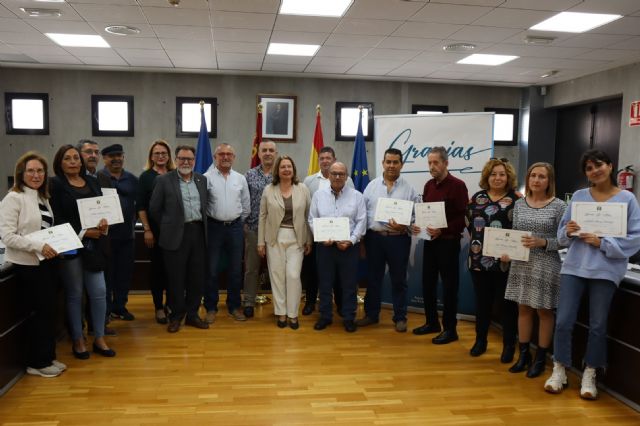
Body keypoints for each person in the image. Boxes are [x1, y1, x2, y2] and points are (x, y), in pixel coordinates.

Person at [544, 150, 640, 400]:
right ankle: (560, 369)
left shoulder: (627, 199)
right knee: (564, 321)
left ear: (610, 167)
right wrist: (570, 229)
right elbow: (562, 236)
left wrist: (602, 243)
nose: (594, 170)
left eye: (598, 165)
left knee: (598, 325)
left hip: (606, 270)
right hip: (574, 267)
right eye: (588, 168)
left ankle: (590, 371)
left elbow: (635, 239)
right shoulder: (578, 196)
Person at [0, 152, 65, 377]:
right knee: (38, 314)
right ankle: (36, 363)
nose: (36, 175)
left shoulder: (42, 196)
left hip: (46, 264)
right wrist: (37, 247)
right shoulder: (14, 198)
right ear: (21, 173)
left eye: (40, 171)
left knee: (48, 313)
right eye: (31, 171)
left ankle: (47, 357)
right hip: (27, 265)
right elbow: (7, 236)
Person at [49, 144, 115, 359]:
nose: (73, 162)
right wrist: (84, 232)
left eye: (76, 158)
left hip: (94, 247)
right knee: (75, 294)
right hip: (70, 246)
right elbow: (56, 218)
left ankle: (99, 337)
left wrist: (104, 222)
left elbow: (102, 208)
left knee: (99, 292)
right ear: (60, 162)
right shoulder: (55, 184)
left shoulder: (93, 182)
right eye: (67, 158)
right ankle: (78, 339)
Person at [504, 163, 566, 378]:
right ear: (528, 179)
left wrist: (543, 242)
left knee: (544, 311)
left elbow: (565, 240)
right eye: (533, 176)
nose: (536, 180)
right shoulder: (520, 204)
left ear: (549, 181)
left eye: (542, 176)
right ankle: (524, 355)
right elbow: (513, 234)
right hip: (521, 263)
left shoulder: (559, 206)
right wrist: (506, 252)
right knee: (523, 309)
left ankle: (540, 358)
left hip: (546, 264)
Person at [357, 148, 418, 333]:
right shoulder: (372, 186)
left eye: (395, 162)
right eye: (388, 162)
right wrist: (361, 241)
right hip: (375, 239)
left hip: (398, 240)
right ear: (383, 163)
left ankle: (400, 317)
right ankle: (371, 314)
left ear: (401, 164)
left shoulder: (409, 189)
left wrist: (405, 226)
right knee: (373, 278)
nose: (391, 165)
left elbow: (415, 217)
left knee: (398, 279)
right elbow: (363, 215)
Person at [149, 145, 209, 333]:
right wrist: (169, 225)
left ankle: (192, 315)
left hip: (198, 233)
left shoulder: (202, 180)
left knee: (196, 278)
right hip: (174, 236)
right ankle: (176, 316)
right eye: (182, 158)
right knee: (175, 279)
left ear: (194, 160)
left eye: (189, 159)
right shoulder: (164, 180)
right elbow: (154, 209)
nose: (186, 162)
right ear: (175, 159)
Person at [414, 146, 468, 345]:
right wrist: (417, 226)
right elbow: (425, 213)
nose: (432, 166)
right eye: (429, 163)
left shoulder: (458, 185)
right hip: (429, 243)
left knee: (449, 287)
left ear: (446, 163)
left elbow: (463, 218)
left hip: (448, 244)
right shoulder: (429, 185)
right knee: (427, 283)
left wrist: (442, 230)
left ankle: (450, 329)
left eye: (436, 162)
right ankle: (431, 322)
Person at [466, 158, 519, 361]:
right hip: (478, 260)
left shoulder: (517, 200)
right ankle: (480, 341)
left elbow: (520, 230)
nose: (497, 178)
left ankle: (508, 345)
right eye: (493, 174)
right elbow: (469, 224)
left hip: (506, 262)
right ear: (487, 176)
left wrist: (511, 251)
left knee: (507, 306)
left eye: (502, 174)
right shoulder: (476, 198)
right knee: (482, 303)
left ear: (508, 177)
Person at [309, 162, 367, 332]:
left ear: (347, 176)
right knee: (325, 284)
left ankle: (349, 317)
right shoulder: (319, 195)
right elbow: (312, 220)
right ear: (329, 176)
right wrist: (320, 238)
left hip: (348, 248)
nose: (337, 177)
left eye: (341, 174)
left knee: (349, 285)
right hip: (325, 248)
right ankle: (325, 316)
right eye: (334, 173)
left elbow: (362, 221)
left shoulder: (357, 196)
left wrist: (352, 240)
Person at [257, 156, 312, 329]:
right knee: (277, 275)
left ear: (293, 169)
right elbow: (262, 216)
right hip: (274, 238)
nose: (286, 169)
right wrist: (260, 242)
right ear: (278, 171)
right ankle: (281, 313)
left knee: (293, 275)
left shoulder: (302, 188)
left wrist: (309, 239)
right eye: (283, 167)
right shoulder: (269, 189)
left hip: (297, 238)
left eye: (289, 166)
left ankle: (293, 314)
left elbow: (308, 216)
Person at [301, 146, 354, 315]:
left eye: (328, 158)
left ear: (334, 160)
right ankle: (310, 302)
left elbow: (351, 203)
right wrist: (315, 235)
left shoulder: (349, 180)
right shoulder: (309, 181)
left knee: (338, 275)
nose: (324, 160)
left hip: (341, 238)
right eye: (322, 158)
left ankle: (339, 304)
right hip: (318, 236)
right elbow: (308, 210)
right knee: (313, 272)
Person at [203, 144, 250, 323]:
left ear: (234, 157)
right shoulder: (206, 178)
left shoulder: (240, 178)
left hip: (235, 228)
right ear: (215, 157)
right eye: (221, 154)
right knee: (212, 270)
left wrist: (238, 221)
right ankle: (211, 307)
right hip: (214, 228)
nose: (225, 157)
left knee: (235, 270)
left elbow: (246, 205)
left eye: (229, 154)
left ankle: (234, 306)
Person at [98, 144, 138, 322]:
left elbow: (139, 204)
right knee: (107, 276)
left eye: (119, 155)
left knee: (124, 274)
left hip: (127, 236)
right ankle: (105, 311)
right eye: (111, 156)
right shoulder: (98, 178)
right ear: (104, 159)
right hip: (105, 237)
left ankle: (120, 307)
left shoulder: (132, 179)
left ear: (123, 157)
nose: (116, 159)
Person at [137, 139, 175, 324]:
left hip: (175, 232)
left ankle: (170, 304)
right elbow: (141, 206)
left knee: (173, 270)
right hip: (155, 231)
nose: (160, 156)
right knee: (158, 270)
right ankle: (159, 307)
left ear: (169, 156)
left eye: (164, 153)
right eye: (157, 153)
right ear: (151, 157)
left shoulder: (176, 174)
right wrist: (147, 230)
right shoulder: (146, 177)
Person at [243, 140, 277, 318]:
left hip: (277, 231)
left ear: (276, 153)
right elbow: (243, 200)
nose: (268, 153)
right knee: (251, 268)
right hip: (254, 228)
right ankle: (249, 301)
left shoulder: (283, 174)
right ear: (259, 153)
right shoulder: (249, 175)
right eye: (264, 150)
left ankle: (281, 304)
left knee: (277, 268)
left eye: (271, 150)